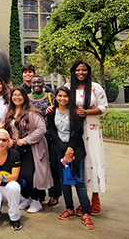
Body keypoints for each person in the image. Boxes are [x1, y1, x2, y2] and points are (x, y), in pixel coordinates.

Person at [46, 86, 93, 229]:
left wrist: (70, 150)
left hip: (76, 150)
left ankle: (85, 212)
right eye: (59, 96)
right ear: (56, 97)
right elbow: (52, 131)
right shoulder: (51, 112)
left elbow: (77, 132)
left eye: (65, 96)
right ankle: (69, 208)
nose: (62, 99)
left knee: (79, 181)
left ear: (69, 98)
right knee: (65, 181)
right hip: (60, 150)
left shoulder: (76, 113)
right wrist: (64, 149)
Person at [65, 61, 108, 216]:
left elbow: (104, 108)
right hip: (74, 130)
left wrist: (87, 113)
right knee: (79, 164)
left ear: (88, 72)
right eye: (78, 70)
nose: (81, 72)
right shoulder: (68, 87)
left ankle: (95, 197)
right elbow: (61, 101)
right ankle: (84, 200)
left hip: (92, 130)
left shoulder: (95, 88)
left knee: (94, 161)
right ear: (73, 71)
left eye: (84, 70)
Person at [5, 87, 52, 214]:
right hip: (15, 149)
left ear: (25, 97)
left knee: (29, 175)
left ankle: (36, 201)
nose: (17, 97)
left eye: (20, 95)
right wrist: (8, 139)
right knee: (18, 175)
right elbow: (7, 128)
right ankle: (27, 198)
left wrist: (25, 140)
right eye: (14, 95)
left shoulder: (32, 112)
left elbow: (41, 129)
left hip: (31, 149)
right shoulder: (10, 111)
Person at [28, 75, 59, 207]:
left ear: (43, 83)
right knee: (37, 165)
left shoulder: (51, 97)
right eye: (34, 82)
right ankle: (40, 193)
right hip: (34, 136)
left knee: (52, 165)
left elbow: (60, 111)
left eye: (39, 82)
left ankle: (54, 194)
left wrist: (52, 110)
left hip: (49, 135)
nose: (36, 84)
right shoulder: (27, 99)